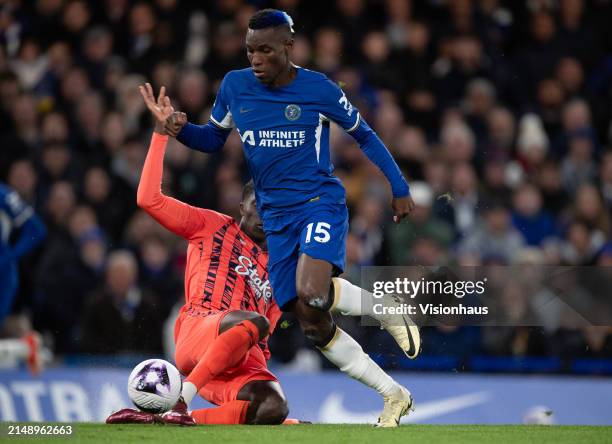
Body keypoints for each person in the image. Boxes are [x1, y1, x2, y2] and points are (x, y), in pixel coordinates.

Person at [165, 9, 419, 426]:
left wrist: (400, 187)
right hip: (276, 218)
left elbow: (365, 136)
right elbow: (211, 139)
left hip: (318, 203)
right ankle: (394, 395)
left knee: (311, 290)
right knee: (312, 321)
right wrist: (178, 129)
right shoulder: (234, 86)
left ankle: (383, 308)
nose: (256, 59)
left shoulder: (319, 89)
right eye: (250, 51)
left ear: (288, 47)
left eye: (265, 50)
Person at [107, 84, 290, 426]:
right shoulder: (211, 225)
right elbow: (149, 199)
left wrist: (262, 380)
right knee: (253, 321)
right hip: (198, 330)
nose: (266, 214)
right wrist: (161, 136)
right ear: (241, 207)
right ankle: (179, 401)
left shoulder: (281, 265)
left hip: (239, 351)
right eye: (259, 205)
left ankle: (172, 419)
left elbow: (266, 335)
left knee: (273, 407)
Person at [0, 182, 46, 374]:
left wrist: (9, 256)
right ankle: (26, 348)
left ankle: (27, 349)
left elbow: (36, 230)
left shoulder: (3, 194)